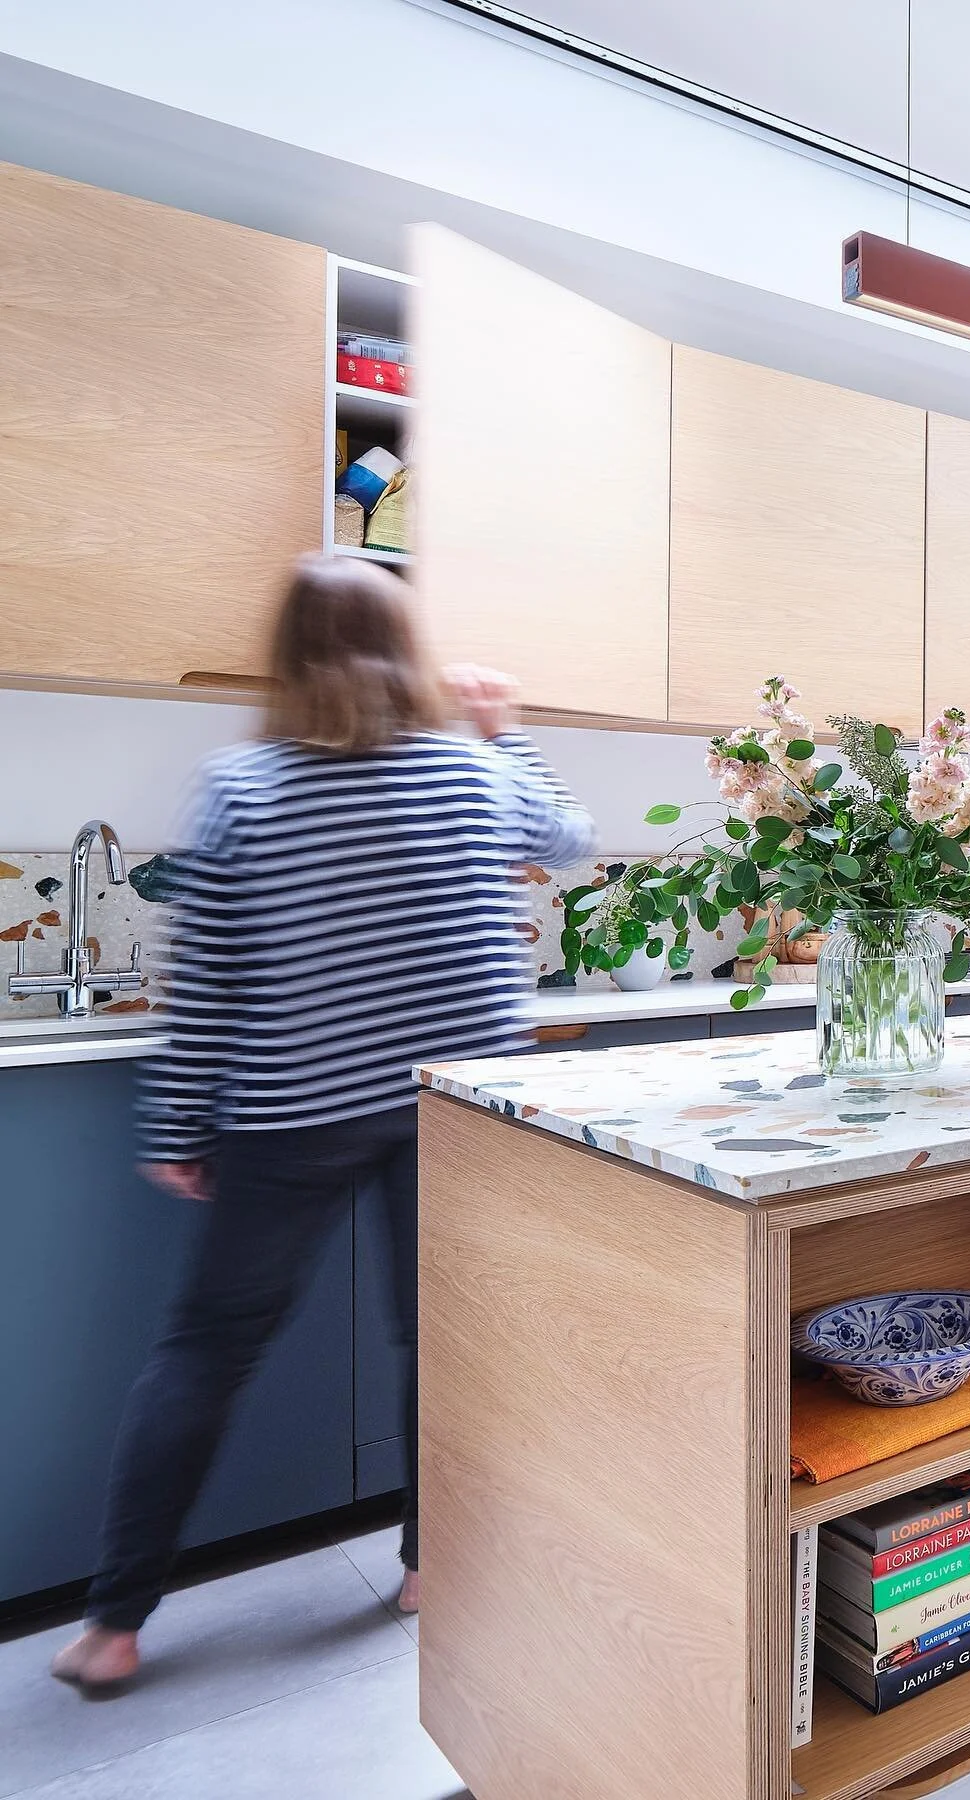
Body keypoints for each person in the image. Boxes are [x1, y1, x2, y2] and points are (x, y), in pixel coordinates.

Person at [52, 555, 594, 1688]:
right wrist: (503, 730)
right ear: (409, 654)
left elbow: (202, 977)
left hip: (294, 1111)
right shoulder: (469, 772)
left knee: (204, 1352)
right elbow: (570, 838)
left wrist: (175, 1125)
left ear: (289, 655)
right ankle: (425, 1567)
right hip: (456, 1108)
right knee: (443, 1341)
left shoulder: (245, 785)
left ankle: (111, 1625)